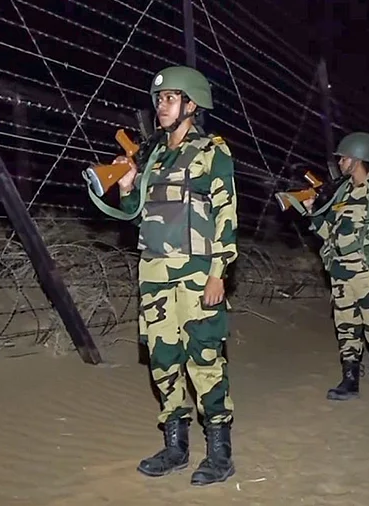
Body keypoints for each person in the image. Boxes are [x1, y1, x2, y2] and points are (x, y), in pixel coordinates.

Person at [95, 65, 238, 486]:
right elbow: (132, 214)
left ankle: (219, 452)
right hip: (154, 274)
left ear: (191, 105)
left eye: (170, 98)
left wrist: (219, 274)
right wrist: (126, 183)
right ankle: (175, 447)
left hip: (197, 275)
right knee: (163, 363)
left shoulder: (213, 151)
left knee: (205, 361)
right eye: (159, 99)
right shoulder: (154, 155)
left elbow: (227, 216)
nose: (161, 105)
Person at [301, 132, 369, 406]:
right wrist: (310, 212)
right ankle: (350, 380)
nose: (340, 163)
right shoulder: (341, 193)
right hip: (341, 274)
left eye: (343, 158)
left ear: (356, 159)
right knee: (346, 329)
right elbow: (328, 233)